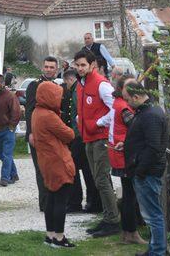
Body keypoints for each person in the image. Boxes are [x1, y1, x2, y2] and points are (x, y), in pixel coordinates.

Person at [73, 50, 120, 237]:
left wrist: (98, 123)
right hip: (89, 137)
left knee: (101, 179)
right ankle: (109, 216)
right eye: (77, 65)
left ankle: (113, 221)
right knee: (99, 179)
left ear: (92, 65)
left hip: (100, 138)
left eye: (83, 65)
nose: (80, 68)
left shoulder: (101, 84)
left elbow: (115, 109)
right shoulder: (81, 84)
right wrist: (80, 119)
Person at [122, 79, 169, 256]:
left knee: (153, 216)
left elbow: (153, 147)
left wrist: (139, 171)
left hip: (147, 173)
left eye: (127, 99)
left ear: (136, 97)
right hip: (144, 170)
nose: (126, 103)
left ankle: (157, 252)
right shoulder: (146, 111)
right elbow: (144, 141)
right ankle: (153, 249)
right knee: (151, 215)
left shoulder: (150, 115)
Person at [31, 81, 76, 248]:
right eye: (57, 96)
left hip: (46, 161)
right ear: (49, 96)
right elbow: (69, 135)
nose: (60, 99)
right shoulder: (49, 116)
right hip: (57, 160)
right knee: (60, 200)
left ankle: (50, 234)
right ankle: (59, 237)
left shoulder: (37, 112)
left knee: (51, 197)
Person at [109, 74, 147, 245]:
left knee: (128, 195)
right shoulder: (124, 107)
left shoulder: (117, 103)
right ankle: (131, 233)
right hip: (125, 154)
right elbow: (135, 128)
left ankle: (127, 232)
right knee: (130, 196)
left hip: (120, 152)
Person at [60, 69, 101, 214]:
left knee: (74, 169)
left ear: (69, 80)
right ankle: (91, 202)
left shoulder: (77, 91)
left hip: (79, 137)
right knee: (86, 169)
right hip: (81, 136)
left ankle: (77, 202)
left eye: (65, 82)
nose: (65, 85)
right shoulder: (78, 89)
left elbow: (78, 114)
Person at [25, 56, 59, 211]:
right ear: (42, 68)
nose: (49, 70)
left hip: (51, 135)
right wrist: (31, 133)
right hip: (37, 134)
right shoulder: (35, 85)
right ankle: (45, 204)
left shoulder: (56, 86)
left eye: (52, 67)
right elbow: (30, 111)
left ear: (56, 69)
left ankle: (52, 200)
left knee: (51, 168)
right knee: (41, 168)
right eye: (46, 67)